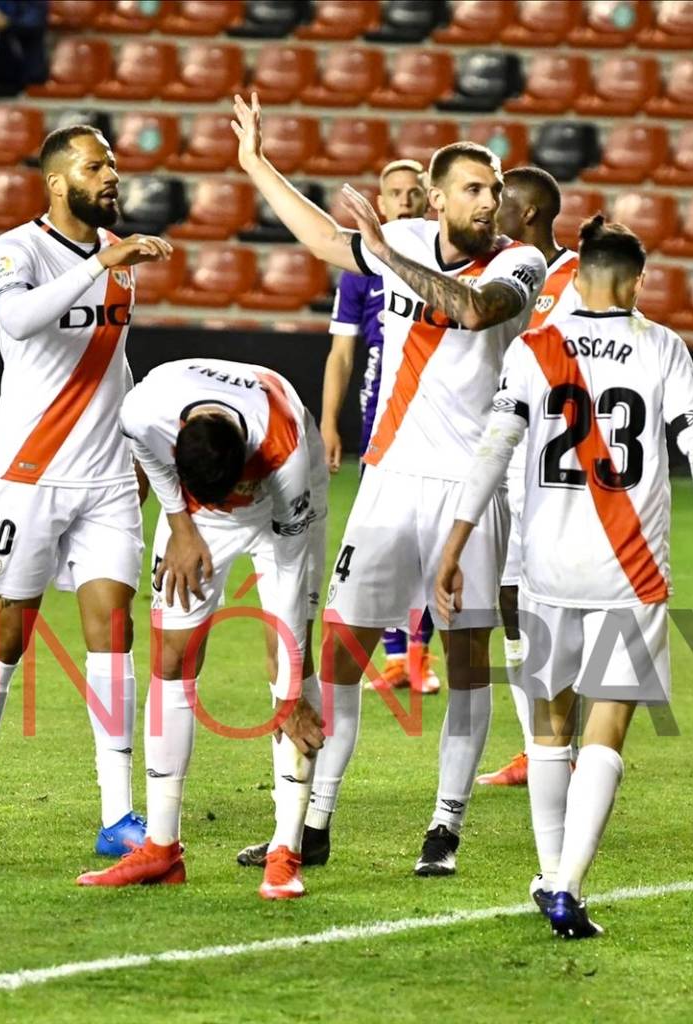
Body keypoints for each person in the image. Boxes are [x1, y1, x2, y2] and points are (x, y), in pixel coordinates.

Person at [230, 92, 546, 877]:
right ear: (437, 198)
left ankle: (444, 826)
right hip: (388, 480)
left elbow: (472, 313)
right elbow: (325, 239)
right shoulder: (400, 235)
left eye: (495, 186)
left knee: (467, 658)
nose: (489, 199)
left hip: (471, 491)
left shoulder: (518, 262)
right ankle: (313, 822)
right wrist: (256, 164)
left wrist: (385, 255)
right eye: (473, 187)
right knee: (340, 657)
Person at [434, 215, 693, 938]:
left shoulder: (535, 347)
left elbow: (493, 449)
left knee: (547, 721)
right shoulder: (661, 346)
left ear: (581, 272)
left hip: (544, 564)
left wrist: (457, 539)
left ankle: (545, 870)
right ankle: (567, 883)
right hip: (629, 565)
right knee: (608, 725)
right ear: (632, 279)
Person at [0, 125, 174, 858]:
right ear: (55, 180)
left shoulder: (119, 260)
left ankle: (117, 815)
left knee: (114, 625)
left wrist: (142, 452)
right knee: (9, 628)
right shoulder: (17, 249)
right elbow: (17, 319)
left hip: (104, 475)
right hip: (27, 474)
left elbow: (116, 367)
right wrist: (100, 264)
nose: (111, 176)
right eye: (95, 166)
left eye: (113, 164)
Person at [79, 359, 327, 899]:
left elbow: (288, 574)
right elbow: (145, 450)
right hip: (194, 517)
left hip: (280, 515)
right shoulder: (146, 410)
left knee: (289, 660)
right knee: (171, 657)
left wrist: (287, 696)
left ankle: (286, 852)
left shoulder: (283, 451)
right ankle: (162, 851)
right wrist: (182, 525)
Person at [477, 165, 583, 789]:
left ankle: (567, 741)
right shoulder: (499, 271)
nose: (492, 212)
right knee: (510, 600)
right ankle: (536, 746)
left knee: (558, 605)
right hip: (506, 455)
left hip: (556, 464)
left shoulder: (575, 279)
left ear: (533, 214)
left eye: (502, 203)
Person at [318, 158, 440, 698]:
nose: (406, 201)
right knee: (386, 545)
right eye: (395, 193)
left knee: (432, 545)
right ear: (382, 203)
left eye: (415, 192)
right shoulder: (361, 272)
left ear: (430, 199)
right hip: (380, 426)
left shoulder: (445, 263)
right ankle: (396, 658)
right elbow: (343, 353)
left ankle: (420, 657)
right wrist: (329, 422)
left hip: (436, 424)